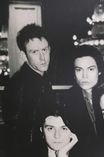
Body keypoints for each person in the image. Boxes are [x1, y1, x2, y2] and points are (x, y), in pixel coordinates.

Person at [2, 23, 56, 157]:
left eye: (44, 50)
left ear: (49, 49)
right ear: (23, 55)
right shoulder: (20, 85)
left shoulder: (40, 78)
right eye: (34, 52)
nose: (42, 57)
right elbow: (18, 137)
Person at [62, 45, 104, 156]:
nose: (84, 76)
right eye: (79, 70)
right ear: (74, 73)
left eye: (90, 69)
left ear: (99, 70)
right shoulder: (65, 100)